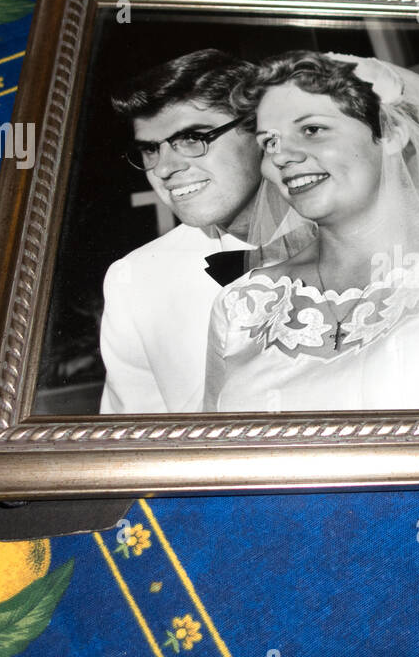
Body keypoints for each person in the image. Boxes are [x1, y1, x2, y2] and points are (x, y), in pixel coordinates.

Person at [203, 51, 419, 413]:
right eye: (269, 142)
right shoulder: (243, 305)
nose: (281, 156)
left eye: (312, 130)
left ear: (390, 134)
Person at [99, 48, 287, 414]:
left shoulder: (360, 240)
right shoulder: (134, 280)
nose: (165, 168)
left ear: (261, 132)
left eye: (191, 138)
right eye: (151, 149)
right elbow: (135, 440)